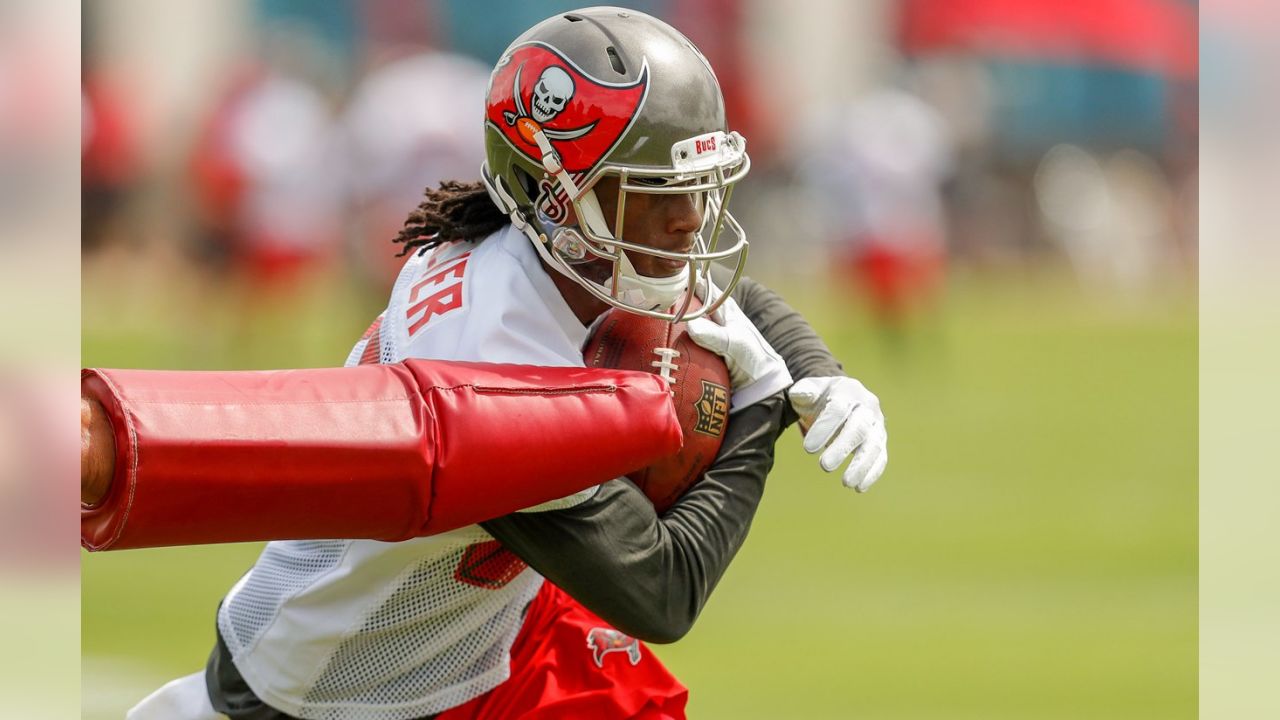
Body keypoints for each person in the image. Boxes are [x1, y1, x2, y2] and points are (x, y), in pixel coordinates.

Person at [126, 8, 888, 719]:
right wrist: (759, 409)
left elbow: (733, 298)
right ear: (551, 197)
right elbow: (663, 591)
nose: (688, 222)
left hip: (480, 629)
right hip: (346, 685)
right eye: (653, 196)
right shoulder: (495, 361)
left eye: (694, 190)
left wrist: (821, 371)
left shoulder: (557, 251)